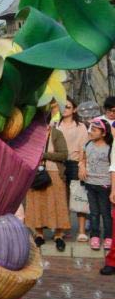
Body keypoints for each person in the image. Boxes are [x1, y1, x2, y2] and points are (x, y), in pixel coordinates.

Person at [24, 122, 70, 250]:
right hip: (36, 174)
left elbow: (64, 154)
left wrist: (44, 155)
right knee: (36, 203)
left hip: (55, 173)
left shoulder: (56, 133)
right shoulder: (31, 134)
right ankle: (39, 234)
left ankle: (58, 235)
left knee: (57, 204)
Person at [57, 98, 91, 241]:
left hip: (75, 163)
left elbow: (84, 148)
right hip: (58, 163)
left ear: (75, 109)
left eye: (68, 107)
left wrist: (82, 165)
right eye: (62, 106)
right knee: (61, 197)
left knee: (79, 197)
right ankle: (64, 229)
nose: (64, 109)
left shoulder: (81, 126)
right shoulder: (55, 125)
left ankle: (82, 231)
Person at [81, 119, 113, 251]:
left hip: (104, 185)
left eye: (94, 130)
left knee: (105, 213)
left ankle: (108, 237)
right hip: (90, 183)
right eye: (91, 129)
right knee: (93, 212)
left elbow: (112, 168)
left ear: (103, 133)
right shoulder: (88, 144)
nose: (91, 132)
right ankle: (95, 236)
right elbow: (82, 159)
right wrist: (81, 167)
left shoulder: (110, 148)